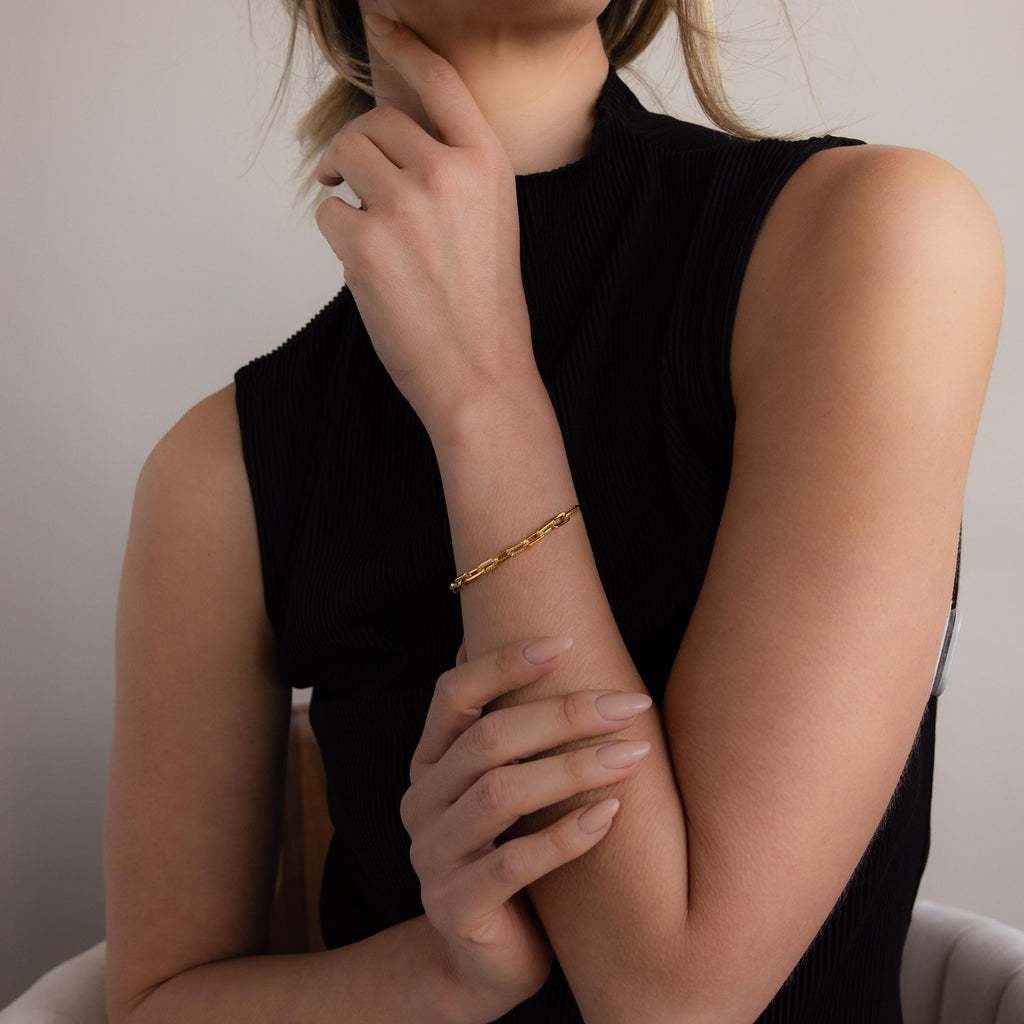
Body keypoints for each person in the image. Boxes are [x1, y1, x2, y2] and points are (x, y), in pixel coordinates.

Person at [102, 2, 1006, 1022]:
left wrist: (479, 395)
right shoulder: (218, 471)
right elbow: (158, 1002)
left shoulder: (869, 239)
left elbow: (674, 998)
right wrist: (443, 973)